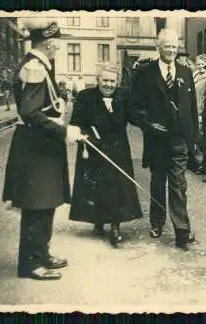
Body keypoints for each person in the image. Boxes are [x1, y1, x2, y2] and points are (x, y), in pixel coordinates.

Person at [2, 19, 86, 280]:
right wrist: (63, 131)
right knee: (35, 204)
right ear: (50, 42)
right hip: (35, 148)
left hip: (42, 147)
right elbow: (29, 112)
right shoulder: (35, 67)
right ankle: (30, 263)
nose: (59, 47)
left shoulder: (40, 65)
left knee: (46, 201)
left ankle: (41, 252)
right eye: (58, 42)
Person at [127, 29, 199, 250]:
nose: (171, 50)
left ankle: (182, 231)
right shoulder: (145, 73)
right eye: (167, 46)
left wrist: (194, 139)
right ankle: (157, 223)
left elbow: (192, 109)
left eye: (174, 46)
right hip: (157, 140)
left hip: (179, 139)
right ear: (158, 47)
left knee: (179, 184)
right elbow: (133, 107)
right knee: (158, 182)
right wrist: (148, 124)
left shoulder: (186, 73)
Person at [68, 65, 143, 247]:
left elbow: (135, 116)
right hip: (94, 146)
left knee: (117, 186)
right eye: (105, 81)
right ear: (98, 80)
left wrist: (149, 122)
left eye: (112, 81)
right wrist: (86, 138)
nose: (109, 85)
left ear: (117, 82)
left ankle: (115, 226)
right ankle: (98, 220)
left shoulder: (124, 95)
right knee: (97, 185)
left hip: (118, 148)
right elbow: (76, 123)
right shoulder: (85, 97)